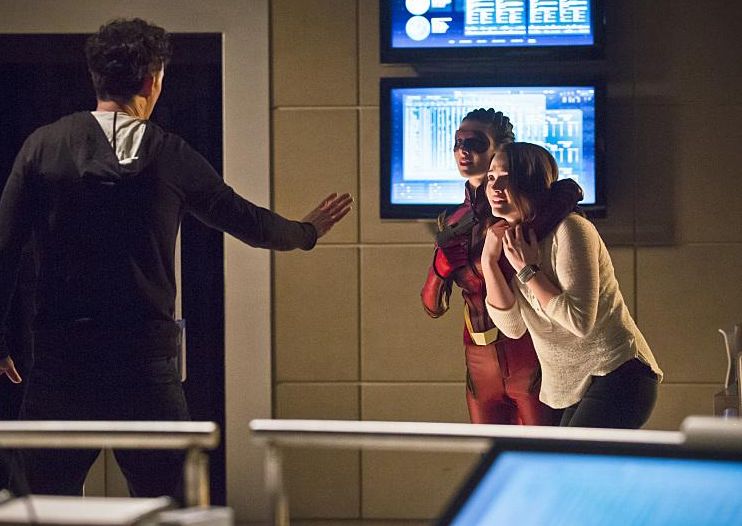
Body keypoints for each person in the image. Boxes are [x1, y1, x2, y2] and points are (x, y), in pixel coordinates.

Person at [0, 18, 352, 499]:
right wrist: (306, 232)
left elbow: (5, 247)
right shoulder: (169, 155)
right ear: (152, 81)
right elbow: (248, 222)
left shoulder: (43, 146)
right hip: (144, 363)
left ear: (96, 77)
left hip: (62, 361)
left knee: (41, 505)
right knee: (172, 503)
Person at [481, 142, 663, 428]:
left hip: (618, 372)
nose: (494, 186)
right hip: (571, 387)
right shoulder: (514, 241)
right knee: (564, 457)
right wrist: (489, 262)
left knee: (572, 457)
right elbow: (513, 328)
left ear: (530, 182)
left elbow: (579, 321)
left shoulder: (571, 229)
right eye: (491, 177)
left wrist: (528, 270)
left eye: (506, 178)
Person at [421, 109, 581, 425]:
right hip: (478, 358)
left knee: (545, 450)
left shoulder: (521, 210)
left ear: (501, 149)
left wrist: (556, 203)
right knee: (492, 450)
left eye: (475, 143)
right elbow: (432, 306)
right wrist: (440, 269)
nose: (463, 151)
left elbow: (564, 197)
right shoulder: (452, 221)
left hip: (528, 352)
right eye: (458, 143)